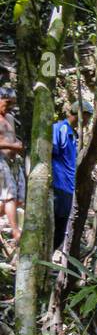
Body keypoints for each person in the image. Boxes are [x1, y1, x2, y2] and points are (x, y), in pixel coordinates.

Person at [52, 99, 91, 251]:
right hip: (57, 184)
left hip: (68, 187)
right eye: (88, 116)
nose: (89, 121)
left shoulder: (73, 135)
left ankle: (46, 261)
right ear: (82, 114)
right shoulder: (60, 128)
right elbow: (50, 151)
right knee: (52, 226)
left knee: (60, 232)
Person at [0, 88, 25, 244]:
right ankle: (16, 232)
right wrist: (12, 145)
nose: (10, 107)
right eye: (7, 103)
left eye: (13, 104)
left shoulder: (9, 117)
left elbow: (12, 137)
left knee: (19, 200)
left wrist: (18, 146)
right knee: (10, 196)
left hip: (14, 161)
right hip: (0, 160)